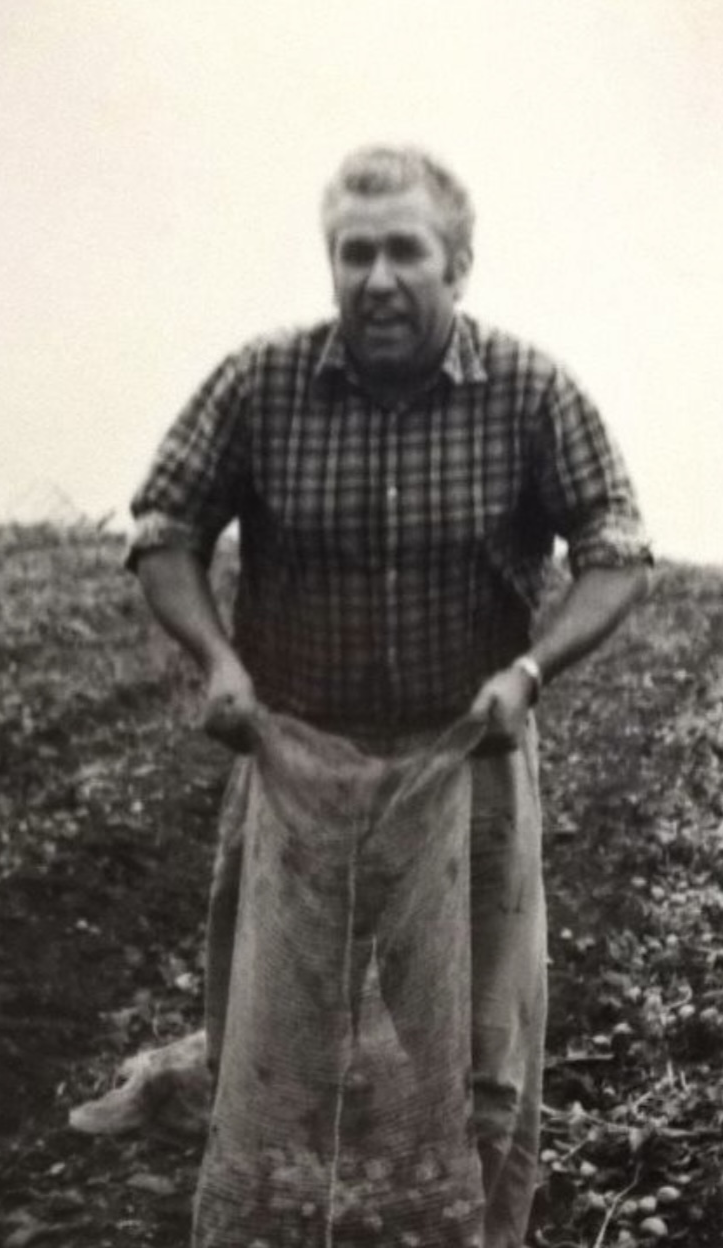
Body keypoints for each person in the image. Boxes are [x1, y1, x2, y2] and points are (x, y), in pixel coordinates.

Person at [127, 145, 651, 1247]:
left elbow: (617, 549)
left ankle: (475, 1228)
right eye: (352, 254)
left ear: (457, 263)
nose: (376, 279)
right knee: (269, 1049)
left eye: (404, 251)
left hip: (467, 763)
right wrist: (219, 661)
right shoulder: (261, 382)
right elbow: (166, 526)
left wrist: (529, 673)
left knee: (482, 1057)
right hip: (297, 768)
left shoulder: (530, 390)